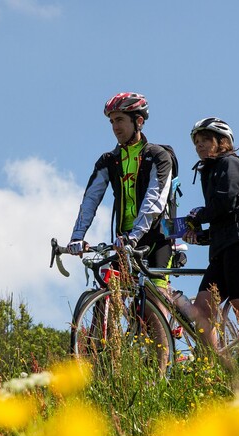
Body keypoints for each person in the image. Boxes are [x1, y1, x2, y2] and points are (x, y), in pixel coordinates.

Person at [68, 92, 178, 372]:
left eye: (120, 120)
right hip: (124, 240)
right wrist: (77, 237)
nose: (115, 127)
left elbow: (156, 199)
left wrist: (136, 234)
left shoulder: (157, 156)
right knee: (107, 292)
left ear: (138, 121)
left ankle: (161, 374)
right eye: (111, 122)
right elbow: (90, 198)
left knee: (153, 304)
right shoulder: (109, 160)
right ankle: (97, 363)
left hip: (156, 238)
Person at [182, 117, 239, 369]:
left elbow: (226, 202)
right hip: (223, 247)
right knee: (200, 311)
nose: (199, 146)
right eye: (196, 142)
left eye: (205, 140)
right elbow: (224, 216)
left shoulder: (231, 164)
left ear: (223, 142)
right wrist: (201, 235)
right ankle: (221, 367)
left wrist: (199, 215)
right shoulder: (211, 170)